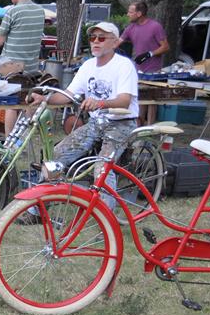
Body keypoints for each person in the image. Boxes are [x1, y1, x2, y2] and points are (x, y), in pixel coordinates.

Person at [28, 22, 138, 209]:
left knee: (102, 166)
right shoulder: (88, 65)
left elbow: (124, 100)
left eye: (101, 38)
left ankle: (105, 216)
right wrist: (45, 98)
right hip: (96, 123)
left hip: (121, 123)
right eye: (93, 38)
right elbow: (68, 95)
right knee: (56, 155)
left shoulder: (124, 65)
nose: (96, 42)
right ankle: (38, 209)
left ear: (114, 42)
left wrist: (100, 103)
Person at [0, 0, 45, 134]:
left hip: (12, 67)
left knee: (12, 105)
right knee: (29, 101)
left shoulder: (12, 11)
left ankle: (9, 141)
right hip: (32, 66)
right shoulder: (40, 11)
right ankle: (25, 137)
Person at [117, 1, 169, 124]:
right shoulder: (131, 28)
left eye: (130, 12)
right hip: (138, 69)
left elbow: (166, 47)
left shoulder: (155, 26)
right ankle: (139, 126)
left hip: (154, 70)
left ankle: (150, 125)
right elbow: (117, 42)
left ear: (139, 13)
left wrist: (149, 54)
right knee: (139, 98)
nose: (128, 14)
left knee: (151, 100)